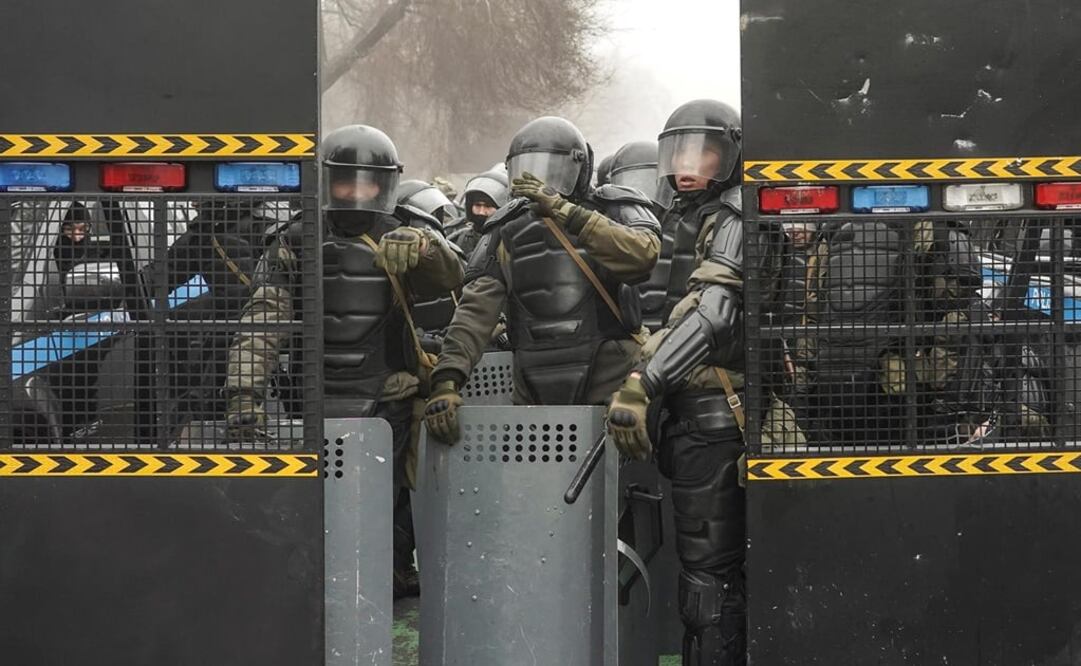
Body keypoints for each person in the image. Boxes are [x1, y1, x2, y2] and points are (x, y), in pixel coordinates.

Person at [224, 124, 464, 599]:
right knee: (314, 503)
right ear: (326, 181)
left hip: (389, 396)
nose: (355, 193)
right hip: (314, 400)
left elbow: (453, 276)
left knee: (387, 499)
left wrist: (425, 246)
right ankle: (316, 587)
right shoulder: (295, 239)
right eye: (345, 182)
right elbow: (263, 320)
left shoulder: (408, 233)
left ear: (385, 185)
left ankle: (388, 575)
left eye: (367, 184)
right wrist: (244, 393)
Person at [605, 99, 752, 666]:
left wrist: (643, 382)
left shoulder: (734, 216)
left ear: (730, 156)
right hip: (687, 410)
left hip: (716, 413)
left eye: (705, 153)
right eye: (681, 153)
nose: (688, 166)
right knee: (703, 572)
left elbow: (715, 314)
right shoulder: (681, 216)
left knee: (709, 580)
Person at [423, 116, 661, 443]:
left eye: (552, 168)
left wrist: (568, 212)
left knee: (624, 471)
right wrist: (447, 379)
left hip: (612, 388)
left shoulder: (612, 208)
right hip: (534, 393)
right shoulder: (505, 229)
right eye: (529, 168)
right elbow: (475, 311)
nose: (540, 180)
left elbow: (642, 255)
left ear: (579, 166)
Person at [446, 169, 510, 258]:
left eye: (488, 206)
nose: (481, 212)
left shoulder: (511, 239)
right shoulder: (457, 239)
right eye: (477, 205)